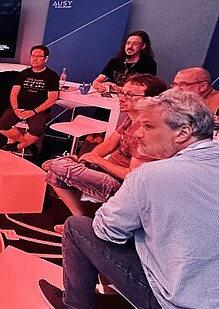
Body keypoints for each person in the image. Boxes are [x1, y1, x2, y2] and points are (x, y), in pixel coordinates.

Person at [39, 90, 219, 309]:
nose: (138, 134)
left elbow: (105, 231)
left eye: (148, 126)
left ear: (183, 132)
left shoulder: (151, 175)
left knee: (77, 227)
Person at [42, 74, 167, 228]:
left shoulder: (146, 131)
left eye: (130, 95)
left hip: (122, 185)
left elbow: (132, 175)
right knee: (54, 172)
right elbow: (108, 144)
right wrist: (85, 161)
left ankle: (67, 162)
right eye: (122, 92)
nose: (122, 98)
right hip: (106, 171)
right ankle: (80, 219)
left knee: (56, 166)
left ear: (151, 99)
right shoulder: (131, 118)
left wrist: (97, 160)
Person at [0, 45, 60, 152]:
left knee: (36, 130)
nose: (35, 59)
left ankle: (17, 147)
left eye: (39, 56)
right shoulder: (24, 73)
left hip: (39, 111)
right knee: (2, 126)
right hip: (20, 108)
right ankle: (26, 143)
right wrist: (16, 109)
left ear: (45, 59)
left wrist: (34, 112)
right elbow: (13, 93)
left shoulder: (52, 76)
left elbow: (52, 99)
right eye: (33, 56)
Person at [91, 30, 157, 93]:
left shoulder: (149, 64)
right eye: (128, 43)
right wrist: (101, 86)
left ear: (143, 46)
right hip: (112, 97)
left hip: (132, 98)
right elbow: (97, 81)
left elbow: (146, 89)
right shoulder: (115, 62)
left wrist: (117, 88)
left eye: (135, 44)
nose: (130, 46)